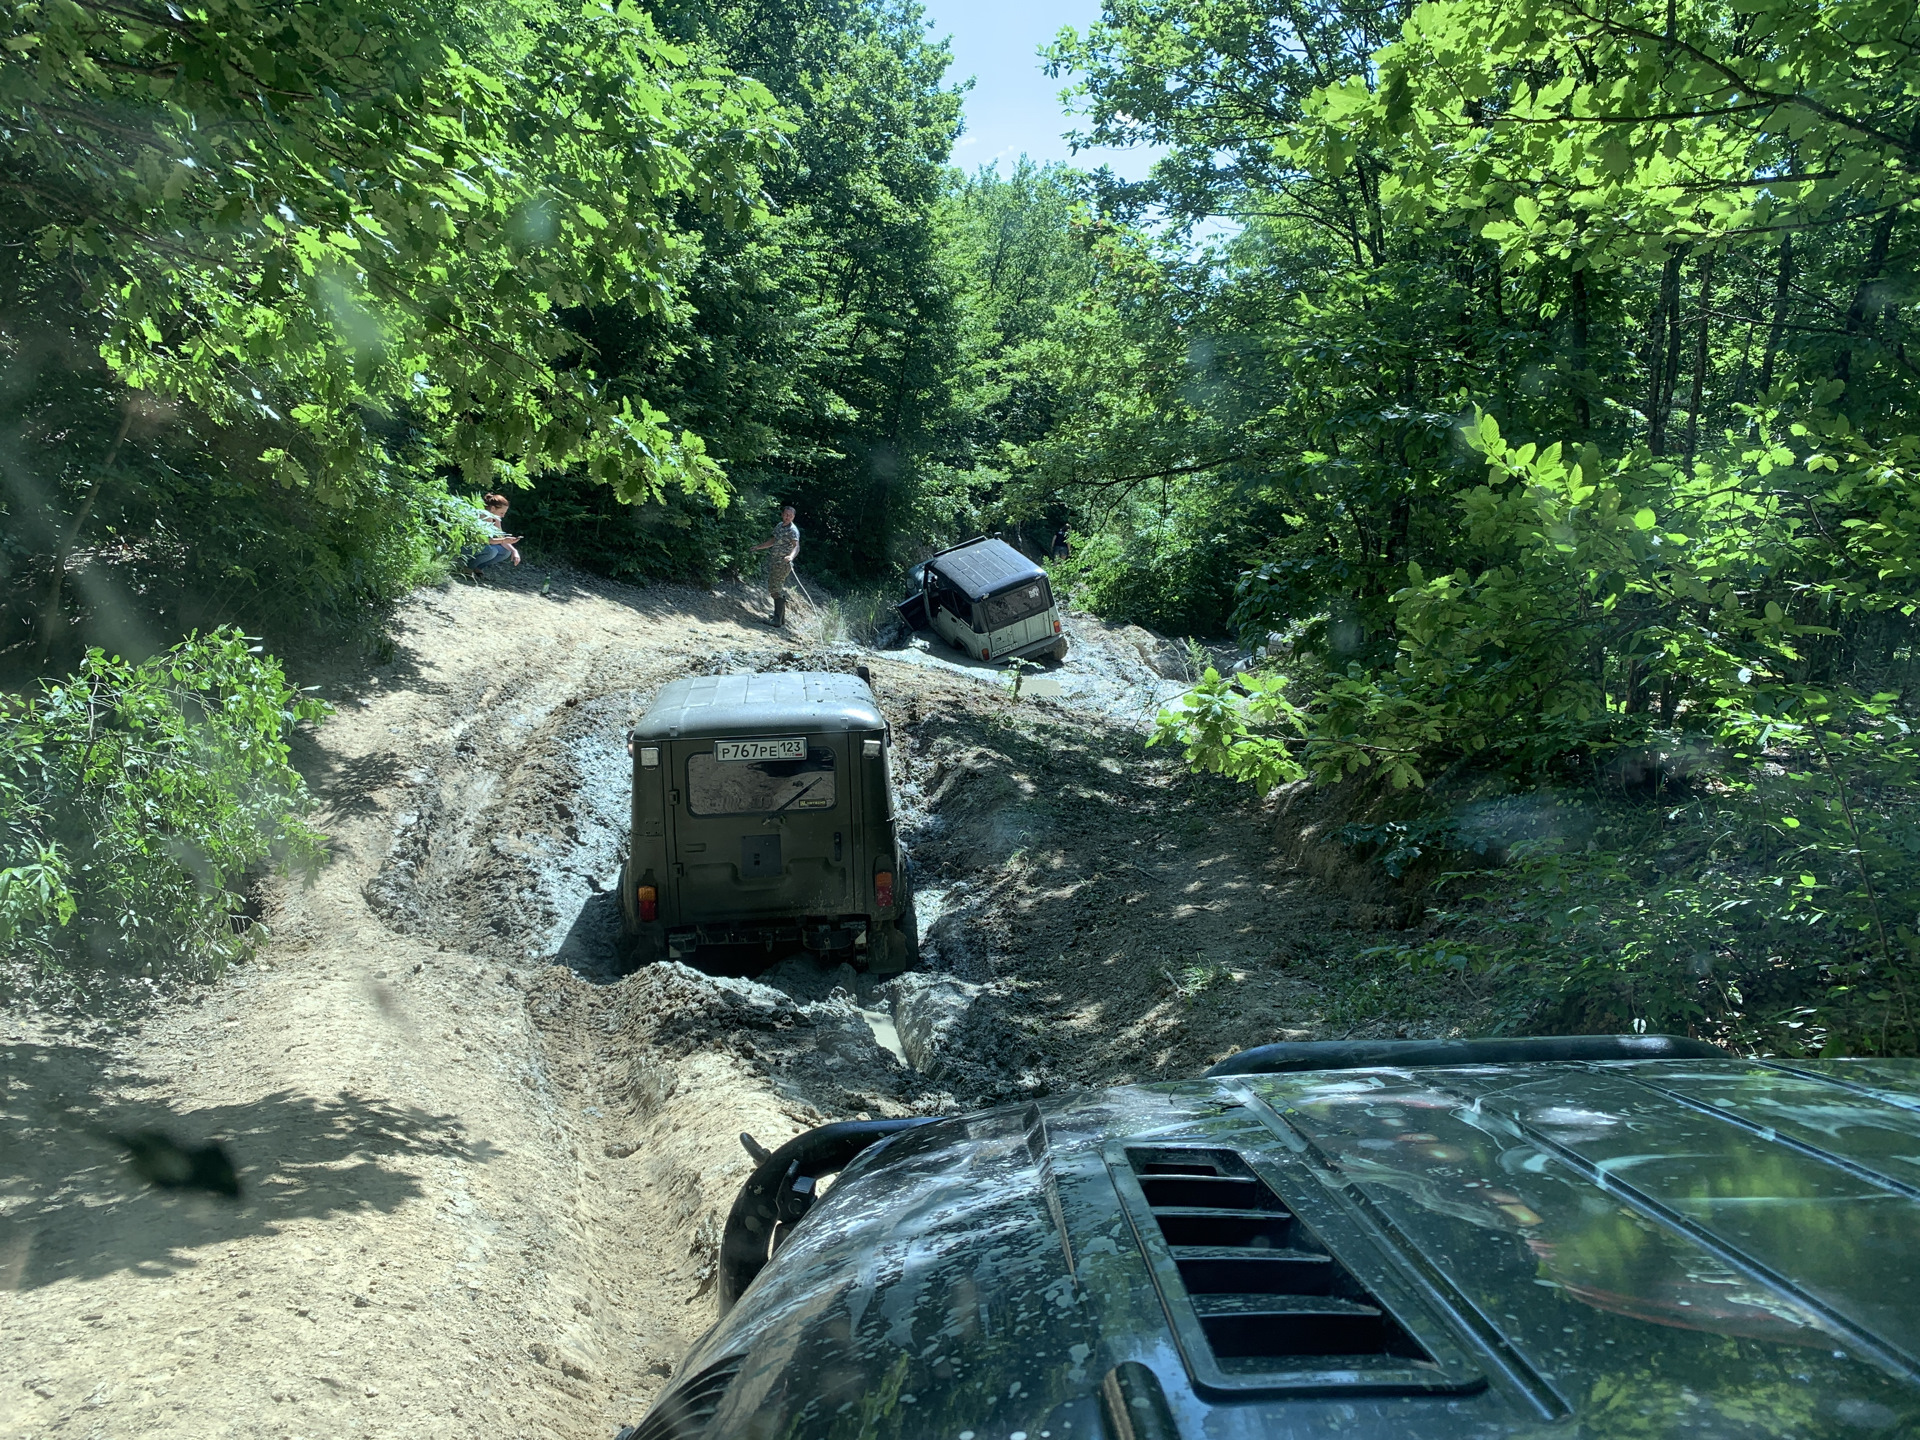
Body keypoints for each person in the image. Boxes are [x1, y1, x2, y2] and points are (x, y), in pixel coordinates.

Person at [750, 504, 800, 626]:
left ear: (793, 517)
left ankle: (777, 620)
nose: (788, 517)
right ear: (782, 514)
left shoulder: (792, 530)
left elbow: (796, 546)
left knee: (774, 589)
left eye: (790, 515)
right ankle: (780, 618)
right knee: (775, 587)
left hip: (783, 564)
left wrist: (791, 557)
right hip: (775, 562)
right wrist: (759, 547)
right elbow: (773, 541)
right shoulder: (779, 526)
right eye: (786, 514)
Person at [469, 492, 521, 576]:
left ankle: (477, 567)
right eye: (501, 513)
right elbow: (485, 540)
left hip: (480, 547)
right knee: (492, 551)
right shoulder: (482, 516)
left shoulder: (495, 518)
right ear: (493, 508)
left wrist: (514, 551)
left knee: (506, 551)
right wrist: (503, 540)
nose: (503, 516)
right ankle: (468, 567)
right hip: (468, 546)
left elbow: (500, 536)